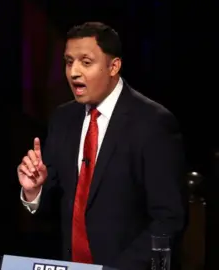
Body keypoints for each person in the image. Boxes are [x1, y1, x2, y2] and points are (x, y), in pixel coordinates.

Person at [18, 22, 186, 270]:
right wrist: (35, 191)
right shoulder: (63, 119)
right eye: (68, 61)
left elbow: (169, 219)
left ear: (113, 66)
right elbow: (55, 208)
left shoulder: (153, 123)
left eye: (86, 62)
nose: (74, 72)